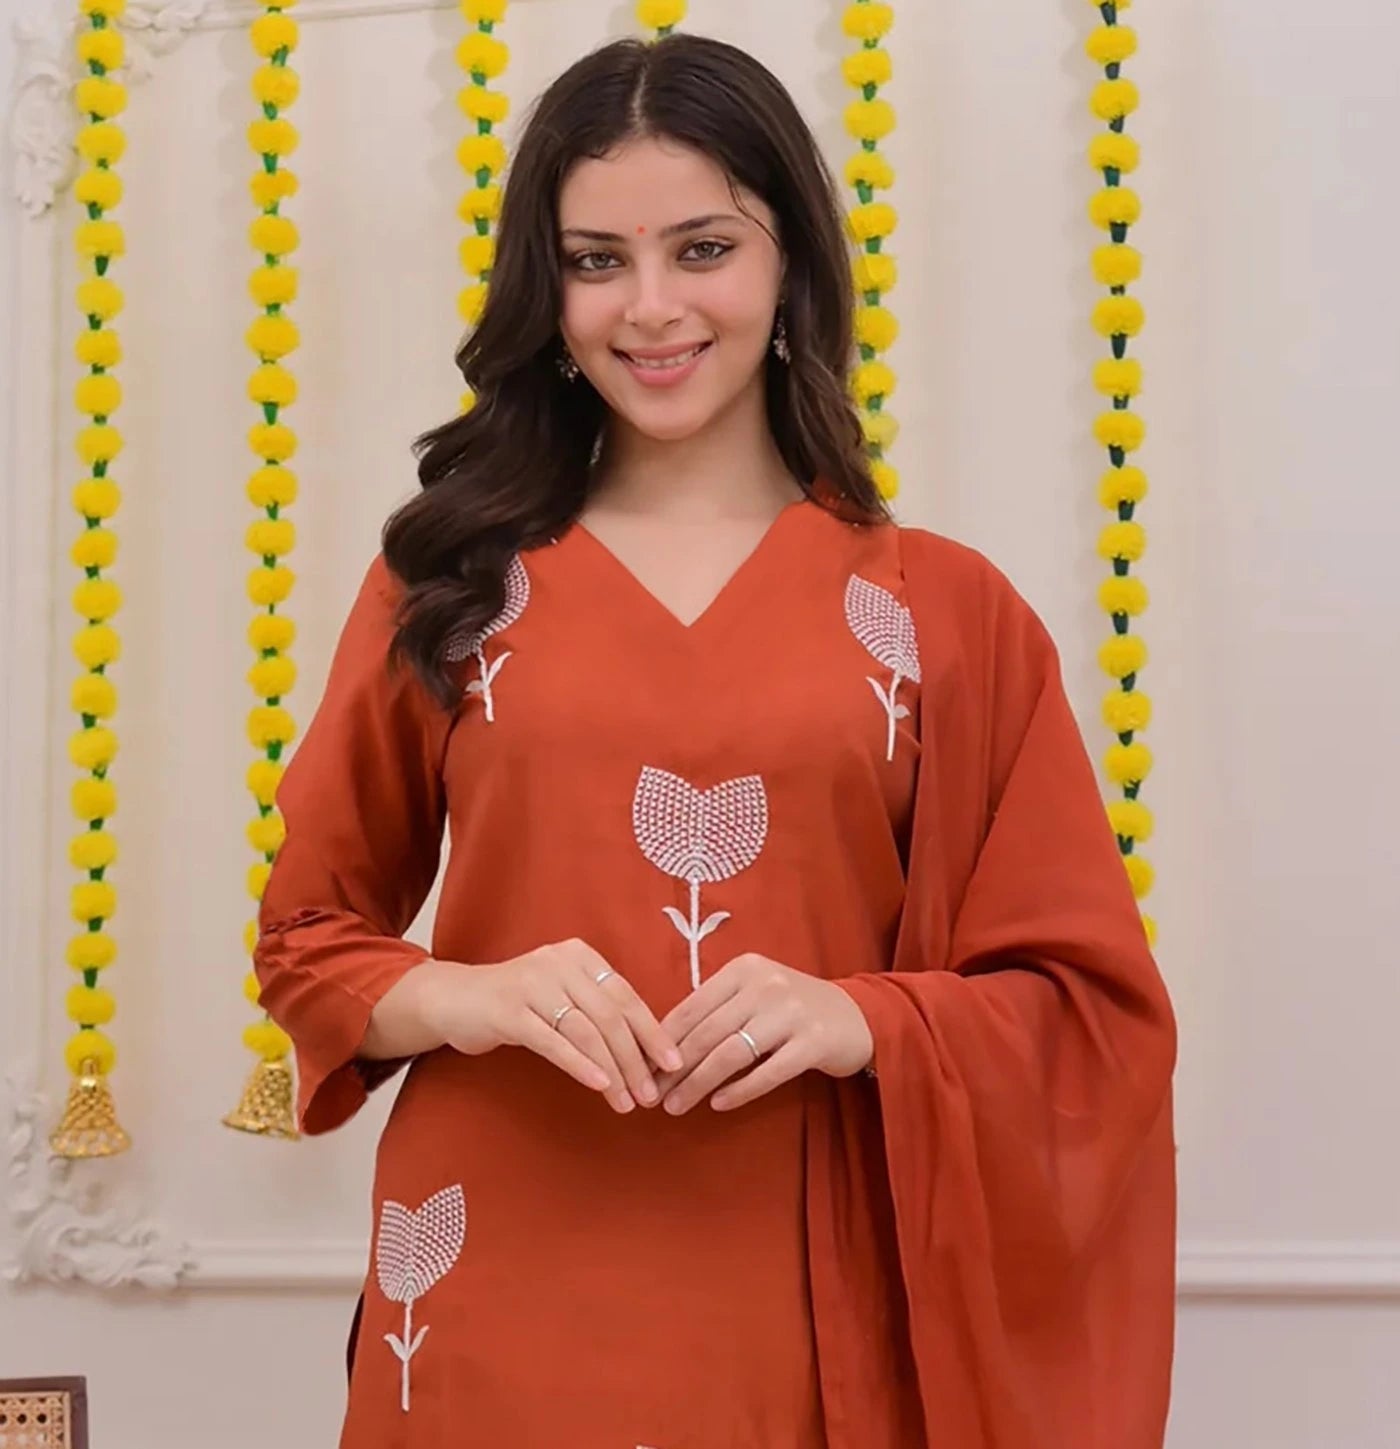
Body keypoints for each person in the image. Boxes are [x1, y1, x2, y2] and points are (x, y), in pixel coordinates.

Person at [253, 32, 1177, 1449]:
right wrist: (472, 993)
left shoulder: (946, 612)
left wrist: (866, 1014)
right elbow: (309, 937)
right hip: (495, 1266)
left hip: (812, 1297)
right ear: (542, 287)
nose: (652, 306)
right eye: (595, 259)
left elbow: (1093, 1012)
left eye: (702, 248)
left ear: (788, 264)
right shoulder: (445, 586)